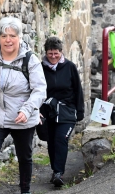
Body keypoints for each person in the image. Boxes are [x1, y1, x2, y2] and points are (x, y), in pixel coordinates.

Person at [0, 17, 47, 194]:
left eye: (12, 35)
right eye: (4, 35)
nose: (8, 40)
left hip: (22, 115)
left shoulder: (30, 60)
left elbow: (40, 90)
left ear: (19, 37)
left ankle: (25, 190)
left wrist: (27, 110)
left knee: (24, 156)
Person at [40, 37, 84, 187]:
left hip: (67, 110)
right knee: (51, 141)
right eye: (50, 54)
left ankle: (59, 172)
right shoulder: (40, 69)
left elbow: (78, 89)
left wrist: (80, 111)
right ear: (46, 53)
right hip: (49, 111)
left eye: (56, 53)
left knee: (60, 138)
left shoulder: (70, 67)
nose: (53, 57)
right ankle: (55, 171)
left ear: (61, 52)